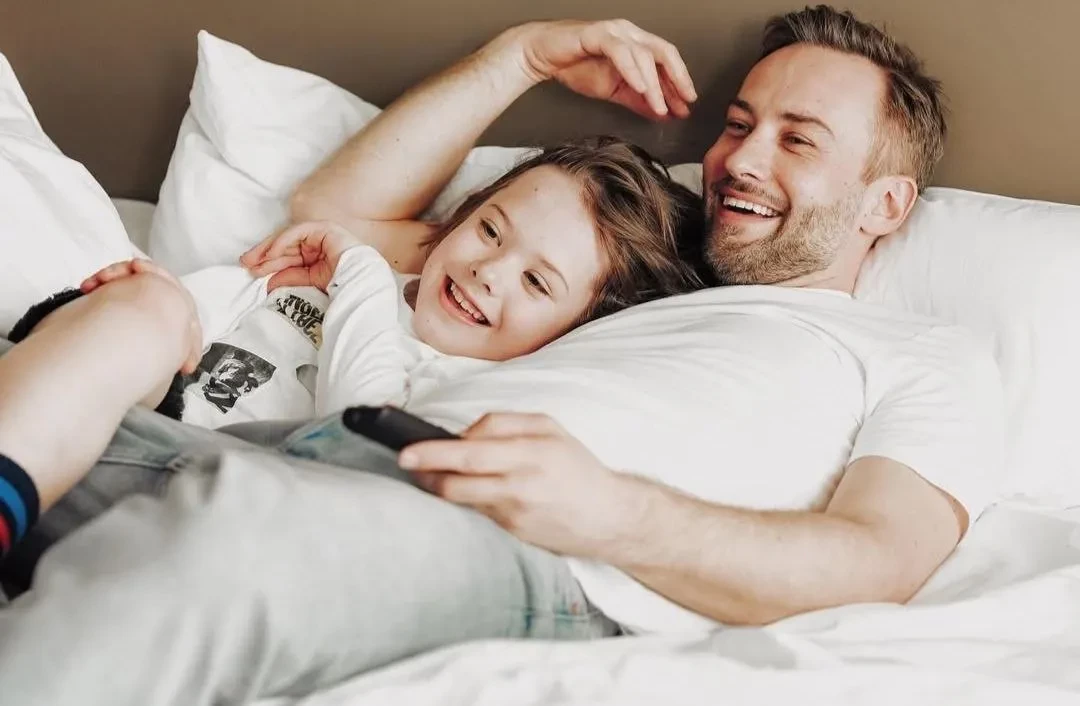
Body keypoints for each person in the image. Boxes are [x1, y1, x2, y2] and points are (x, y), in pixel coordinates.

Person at [0, 7, 1003, 704]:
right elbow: (335, 219)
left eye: (798, 140)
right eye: (740, 125)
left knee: (235, 547)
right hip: (315, 449)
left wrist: (614, 512)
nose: (739, 158)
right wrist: (522, 57)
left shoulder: (922, 355)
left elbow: (879, 558)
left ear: (886, 203)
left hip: (522, 538)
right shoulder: (645, 264)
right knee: (48, 406)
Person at [99, 138, 706, 429]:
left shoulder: (457, 384)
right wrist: (156, 299)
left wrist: (361, 270)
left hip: (204, 467)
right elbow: (216, 300)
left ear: (576, 330)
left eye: (536, 282)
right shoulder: (336, 276)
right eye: (490, 230)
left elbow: (354, 427)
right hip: (134, 405)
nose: (488, 271)